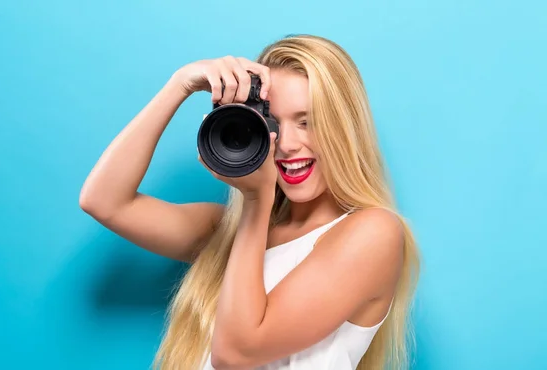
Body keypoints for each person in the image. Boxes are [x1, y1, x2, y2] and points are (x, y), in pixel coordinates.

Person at [79, 34, 420, 370]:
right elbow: (105, 201)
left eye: (307, 122)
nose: (286, 145)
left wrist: (257, 200)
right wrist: (180, 84)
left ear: (343, 127)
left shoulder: (372, 233)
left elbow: (236, 353)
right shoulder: (229, 231)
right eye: (272, 123)